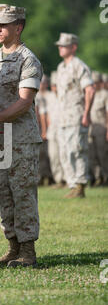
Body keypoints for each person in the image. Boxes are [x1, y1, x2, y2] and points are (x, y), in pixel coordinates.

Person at [0, 4, 43, 268]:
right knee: (0, 194)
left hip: (21, 138)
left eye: (3, 25)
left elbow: (24, 102)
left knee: (22, 193)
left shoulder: (28, 60)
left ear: (19, 27)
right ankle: (12, 248)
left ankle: (27, 251)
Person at [55, 33, 94, 198]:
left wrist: (86, 113)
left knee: (76, 150)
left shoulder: (79, 66)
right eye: (60, 45)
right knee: (64, 152)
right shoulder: (60, 67)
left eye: (64, 46)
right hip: (63, 117)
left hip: (76, 115)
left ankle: (80, 185)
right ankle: (72, 185)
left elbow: (90, 90)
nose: (60, 48)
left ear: (74, 47)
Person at [88, 71, 108, 186]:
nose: (94, 85)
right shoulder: (90, 94)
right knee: (92, 155)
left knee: (103, 155)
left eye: (96, 82)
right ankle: (97, 177)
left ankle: (106, 176)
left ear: (101, 82)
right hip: (91, 129)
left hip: (102, 129)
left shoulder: (105, 94)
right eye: (93, 83)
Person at [46, 72, 65, 187]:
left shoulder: (66, 95)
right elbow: (46, 113)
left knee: (64, 155)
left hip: (63, 129)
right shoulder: (49, 97)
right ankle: (59, 179)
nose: (55, 87)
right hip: (52, 130)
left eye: (57, 85)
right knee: (53, 156)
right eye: (53, 85)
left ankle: (68, 179)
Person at [35, 74, 53, 185]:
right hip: (39, 129)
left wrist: (45, 130)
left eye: (43, 82)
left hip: (48, 128)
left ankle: (50, 177)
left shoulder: (50, 95)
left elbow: (44, 115)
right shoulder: (36, 95)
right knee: (39, 155)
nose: (42, 84)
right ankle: (40, 177)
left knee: (48, 154)